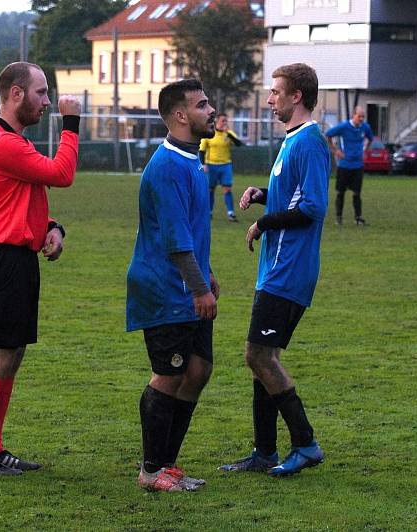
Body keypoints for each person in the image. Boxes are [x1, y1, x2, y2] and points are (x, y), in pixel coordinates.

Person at [0, 62, 81, 476]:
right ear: (16, 94)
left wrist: (53, 227)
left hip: (15, 260)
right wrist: (72, 122)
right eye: (41, 93)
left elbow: (24, 200)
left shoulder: (14, 142)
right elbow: (61, 174)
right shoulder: (1, 142)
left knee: (12, 356)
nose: (47, 101)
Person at [220, 62, 329, 477]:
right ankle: (264, 451)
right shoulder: (293, 140)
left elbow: (313, 206)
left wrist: (265, 222)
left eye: (275, 92)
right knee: (263, 357)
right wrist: (264, 195)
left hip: (289, 269)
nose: (269, 100)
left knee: (258, 355)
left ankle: (305, 444)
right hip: (277, 266)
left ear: (296, 96)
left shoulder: (309, 142)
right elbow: (293, 195)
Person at [126, 79, 218, 492]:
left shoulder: (193, 161)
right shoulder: (166, 167)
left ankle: (167, 464)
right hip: (165, 288)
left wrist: (207, 275)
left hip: (189, 284)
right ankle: (150, 471)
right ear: (181, 115)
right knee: (168, 374)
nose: (211, 110)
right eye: (202, 105)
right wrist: (199, 288)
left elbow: (193, 231)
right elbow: (176, 241)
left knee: (198, 370)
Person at [325, 106, 374, 225]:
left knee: (357, 193)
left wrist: (365, 151)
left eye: (363, 116)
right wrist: (335, 150)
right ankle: (339, 217)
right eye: (359, 116)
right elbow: (328, 135)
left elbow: (370, 139)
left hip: (358, 165)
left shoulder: (365, 127)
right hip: (345, 165)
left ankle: (358, 218)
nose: (361, 119)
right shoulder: (344, 126)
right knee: (340, 192)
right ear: (353, 115)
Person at [199, 113, 243, 222]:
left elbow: (239, 144)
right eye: (223, 120)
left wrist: (228, 134)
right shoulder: (209, 134)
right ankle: (208, 212)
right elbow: (202, 150)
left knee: (227, 189)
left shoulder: (228, 134)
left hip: (225, 165)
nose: (225, 123)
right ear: (217, 122)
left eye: (226, 121)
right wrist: (203, 164)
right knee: (210, 190)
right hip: (211, 165)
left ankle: (231, 213)